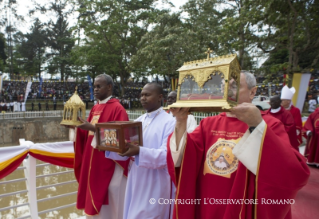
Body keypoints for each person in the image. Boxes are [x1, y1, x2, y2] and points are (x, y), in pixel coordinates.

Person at [167, 72, 309, 219]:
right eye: (224, 87)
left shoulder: (269, 125)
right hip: (207, 203)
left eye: (234, 86)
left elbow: (290, 171)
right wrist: (180, 120)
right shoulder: (207, 124)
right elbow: (183, 161)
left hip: (242, 206)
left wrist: (256, 125)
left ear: (252, 92)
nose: (227, 91)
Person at [106, 82, 175, 219]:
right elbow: (127, 149)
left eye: (147, 95)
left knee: (151, 214)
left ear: (160, 97)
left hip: (156, 179)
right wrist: (110, 146)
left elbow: (167, 155)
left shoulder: (170, 122)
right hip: (136, 177)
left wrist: (139, 151)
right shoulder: (138, 121)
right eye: (141, 95)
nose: (143, 98)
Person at [73, 74, 129, 218]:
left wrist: (92, 128)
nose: (95, 89)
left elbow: (120, 138)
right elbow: (88, 136)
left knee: (110, 200)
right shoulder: (95, 107)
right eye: (94, 86)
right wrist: (77, 127)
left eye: (99, 86)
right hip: (92, 162)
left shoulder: (118, 109)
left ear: (109, 87)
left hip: (107, 163)